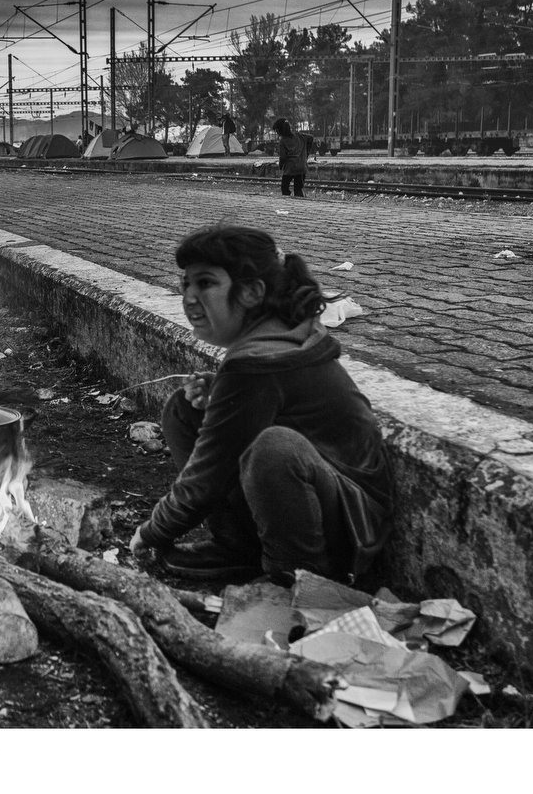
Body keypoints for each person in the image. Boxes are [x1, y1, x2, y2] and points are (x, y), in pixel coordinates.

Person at [129, 225, 394, 585]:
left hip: (351, 521)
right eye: (185, 285)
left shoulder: (259, 361)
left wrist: (150, 533)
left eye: (205, 283)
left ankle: (295, 573)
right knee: (184, 409)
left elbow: (205, 477)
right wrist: (221, 392)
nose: (189, 298)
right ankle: (237, 548)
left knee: (274, 450)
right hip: (317, 486)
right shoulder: (274, 334)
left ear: (252, 292)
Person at [273, 117, 308, 197]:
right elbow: (311, 138)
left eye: (276, 130)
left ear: (279, 130)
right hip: (301, 167)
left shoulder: (283, 141)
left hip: (290, 168)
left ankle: (288, 203)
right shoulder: (299, 135)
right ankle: (300, 203)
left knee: (284, 187)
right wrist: (306, 153)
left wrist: (280, 166)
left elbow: (283, 157)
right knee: (298, 188)